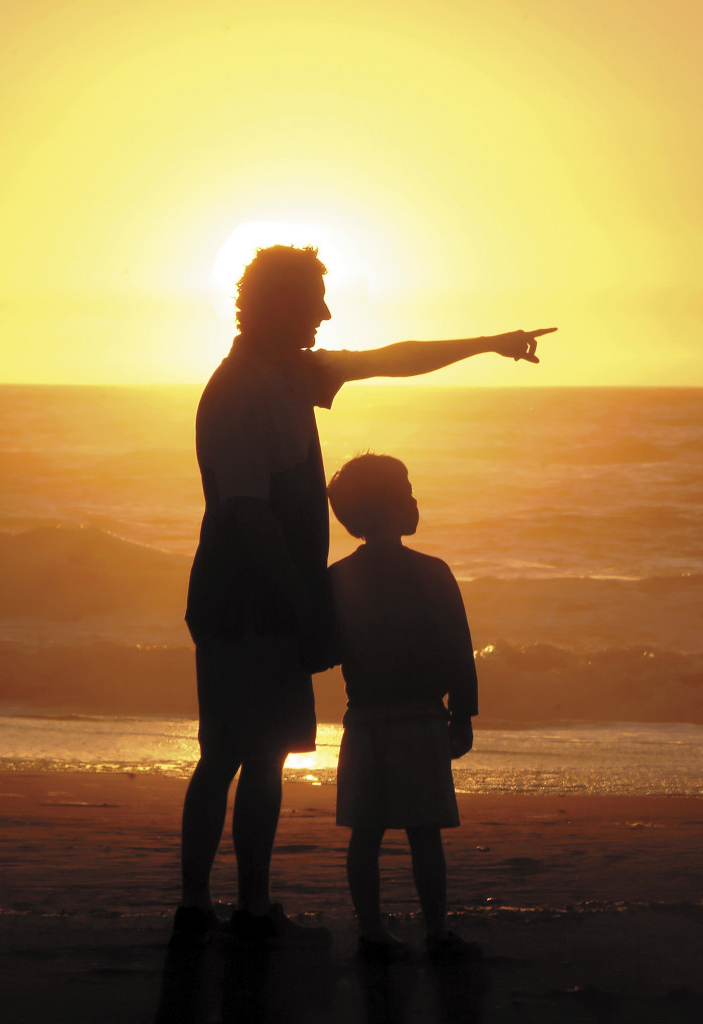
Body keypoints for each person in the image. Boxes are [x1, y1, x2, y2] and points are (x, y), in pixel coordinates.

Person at [175, 243, 552, 945]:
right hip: (241, 604)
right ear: (276, 305)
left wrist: (489, 345)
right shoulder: (236, 392)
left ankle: (252, 904)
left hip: (277, 605)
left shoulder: (292, 373)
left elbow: (390, 358)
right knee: (227, 752)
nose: (323, 313)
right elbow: (246, 511)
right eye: (312, 300)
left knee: (265, 757)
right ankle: (197, 902)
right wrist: (299, 599)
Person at [325, 454, 478, 960]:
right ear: (388, 509)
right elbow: (459, 649)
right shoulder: (433, 572)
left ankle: (371, 930)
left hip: (365, 718)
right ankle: (435, 930)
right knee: (424, 831)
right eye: (407, 494)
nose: (415, 502)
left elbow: (323, 651)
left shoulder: (339, 577)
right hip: (420, 718)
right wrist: (463, 714)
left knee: (365, 833)